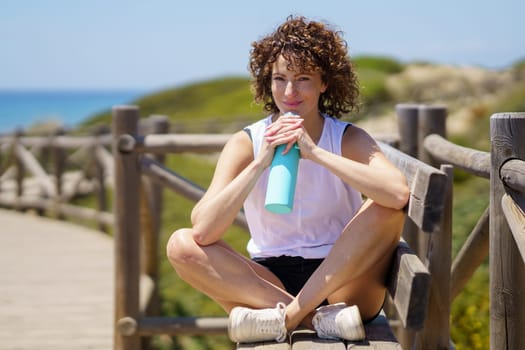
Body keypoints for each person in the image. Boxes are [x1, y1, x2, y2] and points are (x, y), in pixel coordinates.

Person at [166, 15, 409, 343]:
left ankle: (289, 319)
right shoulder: (246, 143)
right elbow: (203, 230)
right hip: (268, 282)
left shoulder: (348, 138)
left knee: (387, 209)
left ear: (325, 82)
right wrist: (261, 161)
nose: (290, 91)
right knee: (180, 244)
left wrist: (315, 153)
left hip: (343, 282)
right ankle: (313, 318)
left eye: (303, 78)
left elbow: (397, 195)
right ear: (268, 82)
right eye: (280, 78)